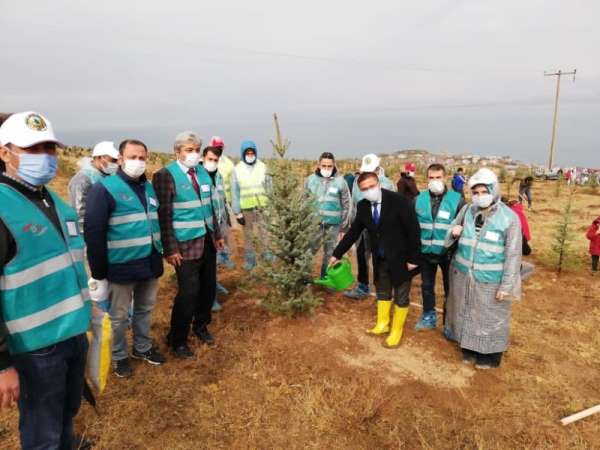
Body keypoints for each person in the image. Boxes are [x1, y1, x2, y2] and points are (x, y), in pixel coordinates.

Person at [0, 112, 91, 449]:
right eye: (32, 148)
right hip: (36, 349)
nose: (45, 156)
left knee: (65, 414)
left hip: (72, 335)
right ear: (4, 152)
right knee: (42, 433)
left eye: (49, 148)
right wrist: (2, 366)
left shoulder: (53, 201)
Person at [84, 139, 166, 378]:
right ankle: (119, 355)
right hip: (121, 267)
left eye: (142, 157)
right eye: (133, 157)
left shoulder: (148, 188)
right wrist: (98, 275)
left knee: (145, 309)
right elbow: (94, 232)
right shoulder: (104, 189)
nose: (138, 162)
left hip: (150, 263)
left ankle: (142, 347)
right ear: (120, 159)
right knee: (119, 317)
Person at [152, 133, 224, 358]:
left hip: (207, 242)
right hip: (184, 246)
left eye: (196, 150)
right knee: (188, 293)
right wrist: (170, 248)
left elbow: (210, 206)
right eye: (189, 150)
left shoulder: (202, 172)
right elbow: (163, 215)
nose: (194, 154)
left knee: (208, 289)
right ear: (177, 152)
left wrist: (218, 234)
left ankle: (201, 326)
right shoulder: (165, 176)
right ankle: (178, 339)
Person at [330, 172, 421, 347]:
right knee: (383, 292)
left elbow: (414, 231)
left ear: (378, 184)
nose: (369, 191)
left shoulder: (399, 202)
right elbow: (353, 232)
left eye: (371, 186)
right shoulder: (363, 206)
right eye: (364, 189)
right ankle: (382, 324)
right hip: (380, 258)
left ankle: (396, 331)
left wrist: (414, 259)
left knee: (401, 295)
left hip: (402, 259)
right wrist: (337, 253)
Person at [444, 168, 522, 369]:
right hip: (464, 275)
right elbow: (448, 237)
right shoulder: (467, 211)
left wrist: (506, 285)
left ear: (494, 190)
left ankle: (490, 356)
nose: (479, 197)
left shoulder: (509, 218)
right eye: (475, 192)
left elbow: (513, 255)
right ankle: (469, 349)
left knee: (490, 318)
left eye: (484, 192)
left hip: (491, 279)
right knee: (467, 312)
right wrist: (453, 233)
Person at [414, 163, 463, 331]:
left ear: (445, 178)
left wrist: (460, 230)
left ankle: (449, 322)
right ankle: (428, 316)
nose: (435, 181)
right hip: (426, 252)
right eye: (431, 178)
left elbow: (466, 224)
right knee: (427, 286)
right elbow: (412, 227)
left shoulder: (457, 200)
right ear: (426, 179)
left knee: (450, 289)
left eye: (438, 177)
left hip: (448, 253)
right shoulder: (418, 199)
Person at [344, 154, 397, 299]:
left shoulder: (387, 183)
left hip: (381, 229)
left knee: (380, 258)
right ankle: (362, 286)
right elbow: (353, 203)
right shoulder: (356, 182)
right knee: (361, 255)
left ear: (378, 168)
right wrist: (351, 222)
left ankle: (384, 290)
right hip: (362, 227)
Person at [304, 152, 352, 279]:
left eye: (329, 166)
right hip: (314, 224)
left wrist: (344, 227)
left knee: (330, 253)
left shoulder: (341, 181)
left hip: (333, 225)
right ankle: (304, 278)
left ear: (334, 165)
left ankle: (325, 277)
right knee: (309, 251)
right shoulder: (310, 180)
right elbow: (303, 201)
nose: (326, 168)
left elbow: (347, 204)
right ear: (319, 165)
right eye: (324, 165)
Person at [231, 140, 270, 271]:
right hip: (246, 209)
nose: (250, 155)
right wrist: (237, 213)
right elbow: (235, 192)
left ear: (256, 153)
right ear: (243, 154)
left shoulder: (263, 167)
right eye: (247, 153)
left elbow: (270, 188)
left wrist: (270, 207)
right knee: (248, 236)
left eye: (252, 152)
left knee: (264, 234)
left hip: (263, 208)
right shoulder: (237, 169)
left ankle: (267, 257)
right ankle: (250, 260)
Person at [201, 145, 228, 311]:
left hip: (219, 225)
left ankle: (215, 286)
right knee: (206, 266)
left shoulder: (218, 177)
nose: (212, 163)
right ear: (203, 158)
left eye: (215, 160)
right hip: (206, 228)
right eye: (210, 159)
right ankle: (211, 300)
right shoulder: (198, 177)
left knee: (215, 263)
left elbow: (221, 199)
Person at [68, 141, 119, 228]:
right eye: (112, 160)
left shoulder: (106, 176)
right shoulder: (82, 179)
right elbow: (79, 213)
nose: (115, 164)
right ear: (99, 157)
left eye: (117, 161)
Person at [212, 136, 236, 270]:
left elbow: (232, 183)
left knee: (224, 230)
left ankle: (225, 257)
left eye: (220, 147)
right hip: (211, 204)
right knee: (214, 232)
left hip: (224, 201)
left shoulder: (228, 163)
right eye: (216, 146)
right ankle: (216, 259)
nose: (218, 149)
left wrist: (233, 203)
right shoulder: (205, 162)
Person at [506, 198, 535, 280]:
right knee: (529, 268)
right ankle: (513, 283)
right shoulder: (516, 218)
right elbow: (527, 251)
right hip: (507, 267)